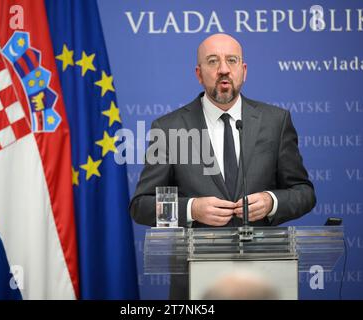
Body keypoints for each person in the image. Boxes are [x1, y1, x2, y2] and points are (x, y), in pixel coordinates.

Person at [129, 33, 316, 299]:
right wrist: (192, 209)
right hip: (196, 282)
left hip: (263, 279)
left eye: (232, 60)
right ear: (198, 73)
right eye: (213, 61)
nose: (224, 69)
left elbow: (304, 193)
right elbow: (142, 205)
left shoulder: (276, 121)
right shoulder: (169, 128)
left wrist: (271, 201)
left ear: (244, 70)